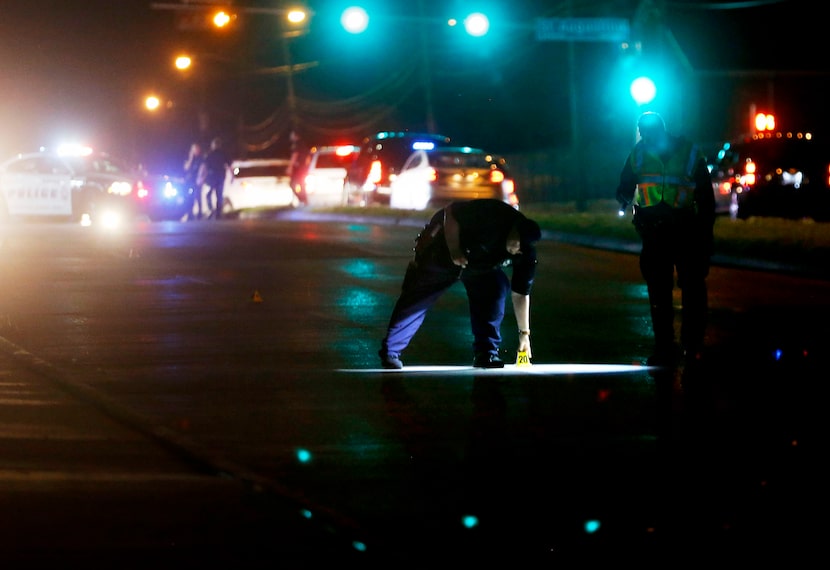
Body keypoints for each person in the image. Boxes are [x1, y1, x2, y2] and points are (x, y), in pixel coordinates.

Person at [378, 199, 542, 369]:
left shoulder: (525, 252)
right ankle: (391, 351)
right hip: (443, 251)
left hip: (478, 265)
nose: (517, 251)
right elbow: (451, 211)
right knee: (418, 297)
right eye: (517, 244)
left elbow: (521, 294)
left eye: (522, 250)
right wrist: (454, 249)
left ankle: (486, 353)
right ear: (513, 230)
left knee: (495, 287)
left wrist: (524, 335)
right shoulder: (494, 215)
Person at [615, 111, 716, 367]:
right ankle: (665, 348)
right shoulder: (638, 153)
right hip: (654, 232)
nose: (646, 136)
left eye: (649, 131)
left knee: (692, 291)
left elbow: (705, 195)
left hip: (685, 230)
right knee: (659, 293)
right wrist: (624, 197)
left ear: (662, 129)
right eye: (642, 132)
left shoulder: (690, 153)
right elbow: (626, 183)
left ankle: (692, 347)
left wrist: (705, 232)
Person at [200, 136, 231, 219]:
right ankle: (217, 212)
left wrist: (202, 177)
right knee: (218, 195)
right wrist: (232, 175)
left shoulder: (211, 154)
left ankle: (214, 211)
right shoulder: (221, 154)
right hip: (219, 176)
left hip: (213, 177)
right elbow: (229, 165)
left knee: (211, 194)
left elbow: (204, 167)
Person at [182, 142, 205, 220]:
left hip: (197, 180)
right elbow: (186, 168)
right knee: (189, 197)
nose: (195, 151)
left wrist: (201, 178)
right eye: (194, 149)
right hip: (189, 181)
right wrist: (191, 159)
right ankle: (189, 213)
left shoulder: (201, 158)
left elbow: (203, 168)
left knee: (198, 197)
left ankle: (200, 213)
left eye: (197, 149)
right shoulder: (188, 158)